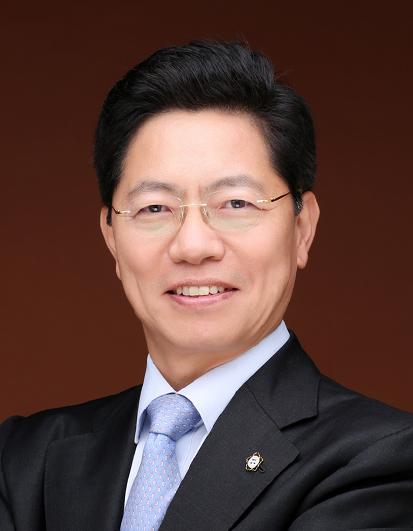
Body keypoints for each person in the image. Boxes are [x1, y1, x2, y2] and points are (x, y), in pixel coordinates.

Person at [1, 41, 412, 531]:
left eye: (236, 204)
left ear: (303, 229)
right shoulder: (24, 459)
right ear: (111, 238)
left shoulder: (379, 460)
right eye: (155, 208)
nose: (193, 246)